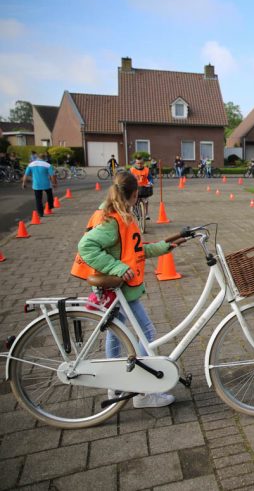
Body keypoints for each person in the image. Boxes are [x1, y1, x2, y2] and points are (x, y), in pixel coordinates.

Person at [71, 171, 181, 408]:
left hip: (119, 290)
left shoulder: (118, 214)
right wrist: (117, 267)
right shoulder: (113, 220)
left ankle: (115, 386)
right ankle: (143, 392)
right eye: (138, 195)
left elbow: (136, 250)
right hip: (120, 287)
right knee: (147, 334)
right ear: (133, 194)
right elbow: (86, 246)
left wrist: (165, 246)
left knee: (115, 332)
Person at [22, 153, 57, 217]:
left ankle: (40, 213)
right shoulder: (48, 165)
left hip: (36, 185)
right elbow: (52, 176)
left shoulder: (31, 165)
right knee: (50, 195)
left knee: (38, 199)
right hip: (46, 184)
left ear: (37, 157)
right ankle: (50, 206)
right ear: (45, 158)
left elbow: (26, 175)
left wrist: (24, 183)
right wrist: (54, 183)